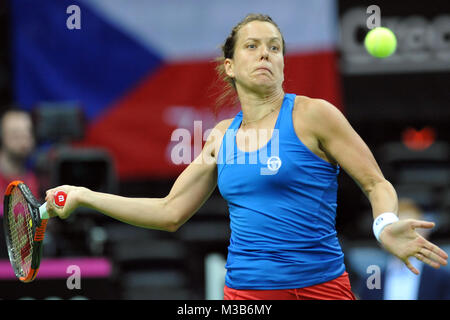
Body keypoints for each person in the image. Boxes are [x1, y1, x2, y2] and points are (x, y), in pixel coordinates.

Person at [44, 14, 448, 300]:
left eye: (275, 48)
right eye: (252, 47)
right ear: (230, 66)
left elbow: (376, 183)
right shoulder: (220, 138)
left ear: (284, 63)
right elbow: (168, 211)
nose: (265, 55)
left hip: (320, 289)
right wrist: (84, 195)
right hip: (247, 293)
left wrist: (384, 224)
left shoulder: (314, 115)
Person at [357, 198, 450, 300]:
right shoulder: (373, 279)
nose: (403, 238)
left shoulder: (442, 279)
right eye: (396, 232)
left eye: (411, 231)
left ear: (424, 233)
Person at [0, 109, 40, 215]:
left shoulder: (38, 179)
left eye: (27, 133)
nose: (24, 140)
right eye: (16, 134)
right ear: (2, 137)